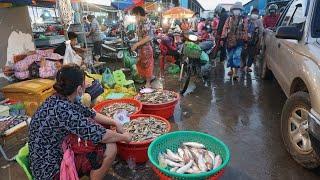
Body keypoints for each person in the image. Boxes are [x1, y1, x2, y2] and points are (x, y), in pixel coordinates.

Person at [29, 64, 132, 180]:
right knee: (111, 147)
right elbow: (101, 135)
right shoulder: (64, 111)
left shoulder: (58, 98)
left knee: (101, 131)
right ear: (79, 89)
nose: (87, 85)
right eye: (85, 83)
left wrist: (115, 122)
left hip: (43, 161)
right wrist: (124, 137)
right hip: (50, 172)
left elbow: (90, 113)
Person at [221, 2, 248, 80]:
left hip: (239, 41)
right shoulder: (229, 19)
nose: (236, 11)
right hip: (229, 41)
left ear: (240, 10)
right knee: (230, 57)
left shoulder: (244, 19)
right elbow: (225, 28)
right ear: (232, 10)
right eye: (235, 9)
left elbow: (245, 30)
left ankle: (235, 73)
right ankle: (231, 70)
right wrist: (222, 39)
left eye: (238, 9)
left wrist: (245, 41)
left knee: (236, 56)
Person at [131, 6, 155, 88]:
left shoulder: (146, 22)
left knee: (147, 64)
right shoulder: (140, 22)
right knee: (140, 63)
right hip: (141, 48)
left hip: (146, 48)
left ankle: (148, 83)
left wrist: (137, 44)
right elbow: (139, 35)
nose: (134, 18)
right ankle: (148, 79)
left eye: (134, 16)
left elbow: (148, 37)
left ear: (138, 14)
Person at [242, 8, 264, 72]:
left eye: (256, 13)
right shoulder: (247, 20)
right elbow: (243, 28)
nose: (255, 15)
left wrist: (259, 41)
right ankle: (244, 65)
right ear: (251, 13)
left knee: (251, 55)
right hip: (245, 40)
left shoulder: (259, 21)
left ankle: (248, 67)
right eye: (254, 13)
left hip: (254, 41)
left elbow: (261, 31)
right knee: (243, 53)